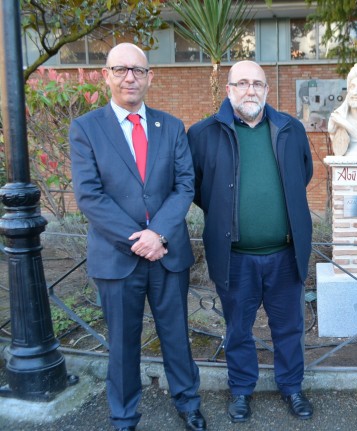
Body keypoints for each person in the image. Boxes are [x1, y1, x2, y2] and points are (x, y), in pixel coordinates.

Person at [69, 43, 205, 431]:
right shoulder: (86, 128)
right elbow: (89, 196)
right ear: (106, 75)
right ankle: (124, 415)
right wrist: (137, 239)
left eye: (138, 70)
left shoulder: (171, 126)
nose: (130, 77)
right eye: (121, 69)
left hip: (168, 253)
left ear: (150, 77)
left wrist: (158, 233)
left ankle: (188, 402)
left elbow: (184, 186)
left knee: (176, 336)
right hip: (118, 258)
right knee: (124, 345)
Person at [187, 60, 314, 423]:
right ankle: (242, 389)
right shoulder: (203, 133)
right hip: (235, 256)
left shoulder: (290, 129)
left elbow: (301, 174)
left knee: (288, 328)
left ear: (267, 90)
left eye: (257, 84)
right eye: (241, 83)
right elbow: (197, 187)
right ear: (228, 90)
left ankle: (292, 387)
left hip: (285, 253)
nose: (250, 90)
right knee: (238, 329)